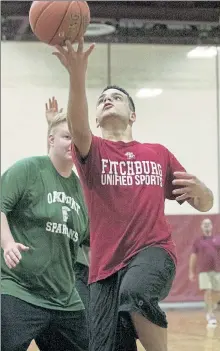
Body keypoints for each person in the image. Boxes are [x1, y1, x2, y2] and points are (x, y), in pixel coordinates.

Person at [53, 38, 214, 351]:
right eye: (102, 100)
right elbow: (77, 125)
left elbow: (204, 203)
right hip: (104, 270)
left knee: (136, 294)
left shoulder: (157, 153)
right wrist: (77, 75)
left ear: (133, 115)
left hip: (152, 252)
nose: (108, 100)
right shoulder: (92, 151)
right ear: (95, 118)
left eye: (116, 97)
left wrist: (203, 190)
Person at [1, 112, 89, 351]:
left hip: (65, 300)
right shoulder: (28, 169)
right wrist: (8, 243)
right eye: (66, 137)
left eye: (77, 138)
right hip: (19, 291)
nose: (73, 143)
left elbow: (93, 239)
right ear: (51, 140)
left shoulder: (82, 192)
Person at [45, 96, 90, 316]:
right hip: (56, 267)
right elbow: (52, 163)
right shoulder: (46, 179)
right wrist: (52, 125)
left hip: (79, 267)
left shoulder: (81, 184)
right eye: (65, 136)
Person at [189, 218, 220, 326]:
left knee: (217, 293)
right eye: (204, 224)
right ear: (201, 226)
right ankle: (210, 314)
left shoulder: (218, 239)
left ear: (212, 226)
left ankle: (212, 306)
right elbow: (193, 256)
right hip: (203, 271)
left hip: (217, 270)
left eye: (208, 224)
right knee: (208, 291)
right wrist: (191, 271)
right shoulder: (198, 241)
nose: (207, 225)